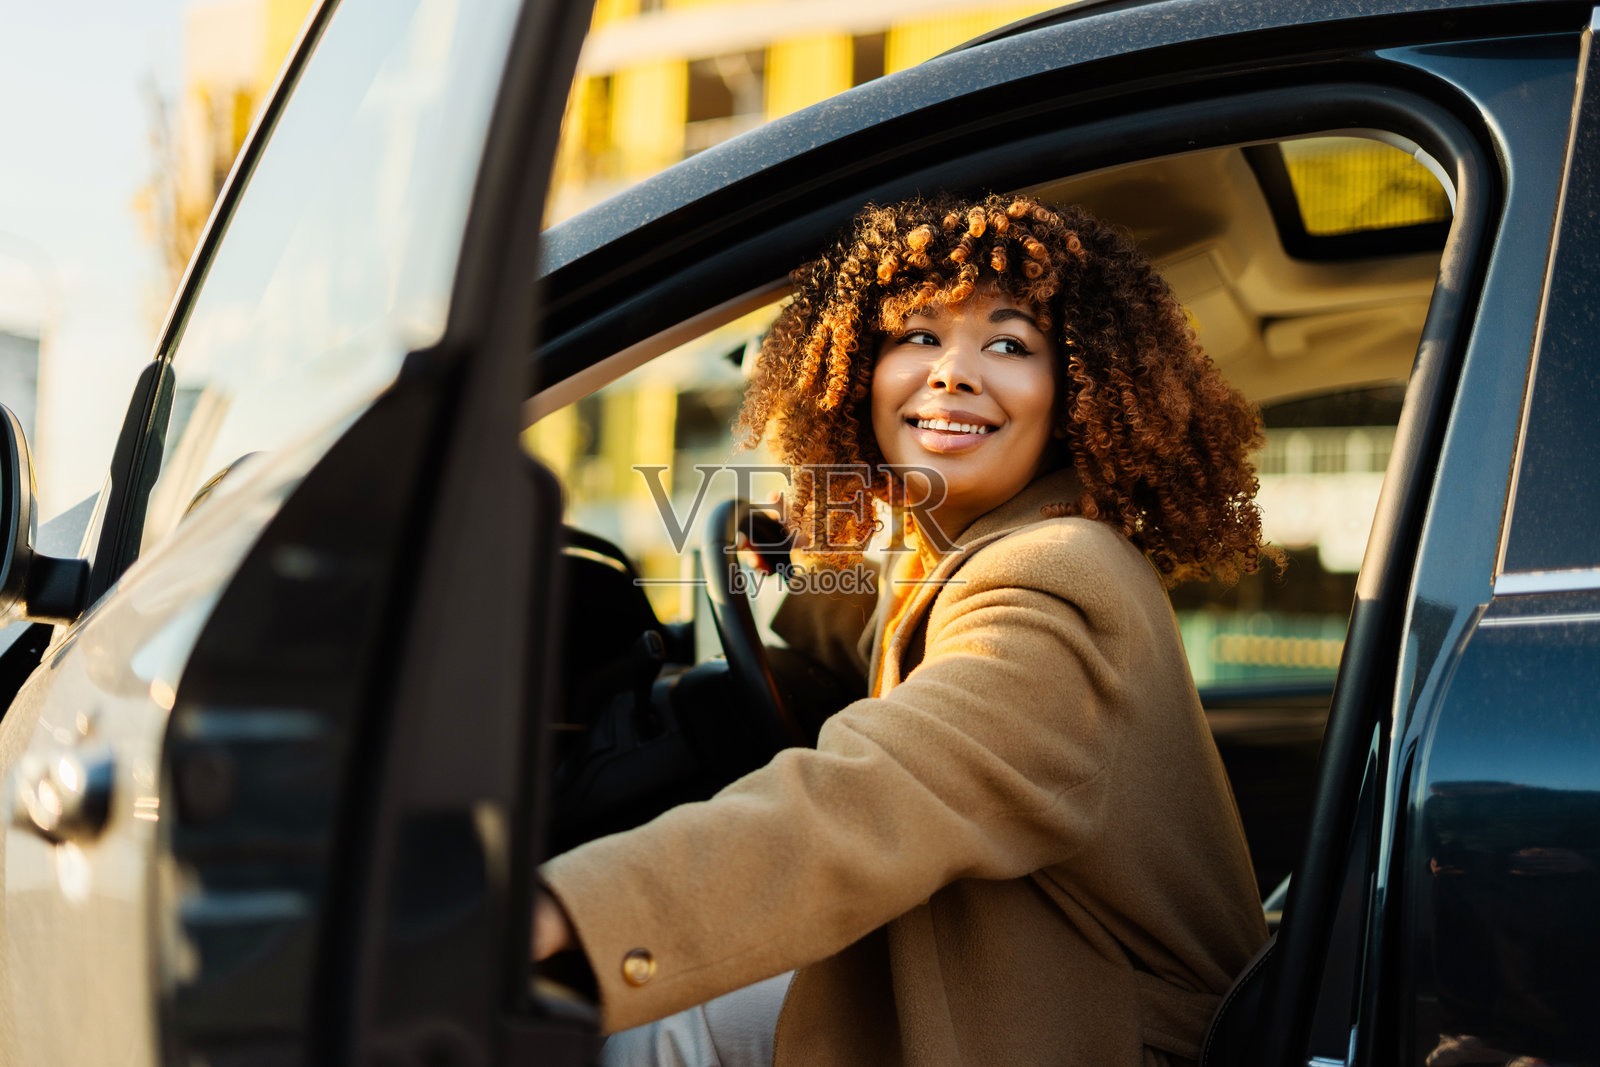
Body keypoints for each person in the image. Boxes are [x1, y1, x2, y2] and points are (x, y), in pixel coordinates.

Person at [535, 192, 1273, 1066]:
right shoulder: (969, 549)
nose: (953, 373)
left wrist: (560, 913)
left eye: (1010, 345)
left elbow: (865, 798)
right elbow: (884, 641)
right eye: (917, 335)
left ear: (1078, 394)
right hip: (1036, 987)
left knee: (645, 1033)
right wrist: (812, 540)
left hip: (1096, 1036)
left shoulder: (1057, 579)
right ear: (860, 373)